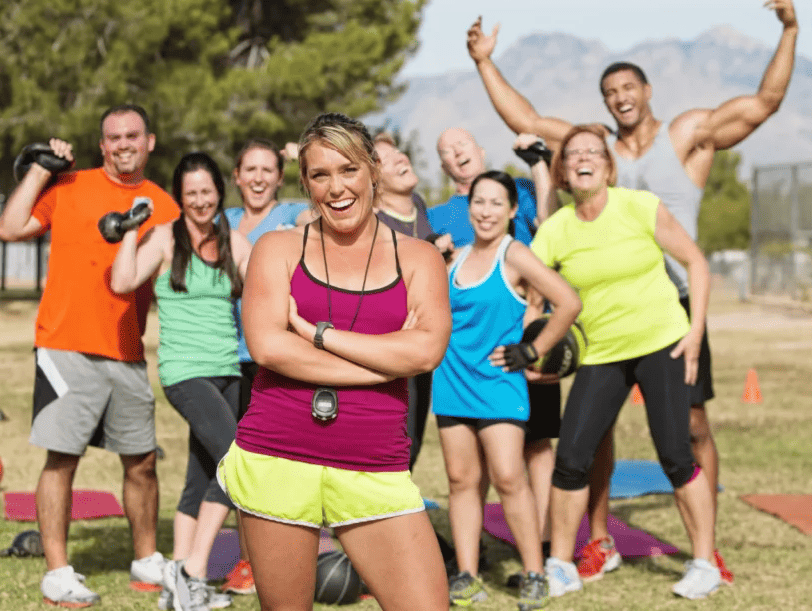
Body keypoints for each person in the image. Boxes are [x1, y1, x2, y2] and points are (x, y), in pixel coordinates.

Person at [467, 0, 798, 583]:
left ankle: (705, 547)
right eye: (609, 91)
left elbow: (763, 103)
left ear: (647, 92)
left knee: (689, 431)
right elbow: (528, 120)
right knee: (591, 435)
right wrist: (485, 62)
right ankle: (595, 541)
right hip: (599, 311)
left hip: (670, 303)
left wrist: (790, 30)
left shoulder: (686, 135)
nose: (619, 98)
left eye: (628, 89)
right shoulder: (588, 148)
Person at [219, 112, 452, 611]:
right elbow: (268, 348)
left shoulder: (419, 257)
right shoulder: (276, 248)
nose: (336, 187)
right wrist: (386, 362)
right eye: (319, 175)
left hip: (374, 464)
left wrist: (319, 335)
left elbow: (427, 351)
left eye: (347, 169)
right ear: (305, 183)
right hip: (277, 456)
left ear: (373, 170)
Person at [0, 104, 181, 608]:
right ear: (102, 146)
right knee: (63, 458)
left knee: (141, 461)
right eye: (113, 137)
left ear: (150, 142)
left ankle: (146, 559)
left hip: (127, 349)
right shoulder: (69, 185)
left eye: (133, 135)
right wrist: (40, 167)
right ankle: (57, 571)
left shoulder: (164, 205)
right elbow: (9, 228)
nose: (123, 144)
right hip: (65, 342)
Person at [531, 125, 718, 599]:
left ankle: (703, 561)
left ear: (609, 167)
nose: (583, 158)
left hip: (663, 344)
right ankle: (559, 566)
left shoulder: (639, 206)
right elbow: (534, 301)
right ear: (564, 173)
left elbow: (696, 262)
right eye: (573, 155)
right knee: (572, 457)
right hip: (600, 354)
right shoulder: (554, 231)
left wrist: (694, 333)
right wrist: (533, 351)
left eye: (594, 151)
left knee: (676, 453)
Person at [433, 170, 582, 611]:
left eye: (497, 203)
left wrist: (531, 350)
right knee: (461, 481)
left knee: (508, 477)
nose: (486, 211)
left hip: (500, 384)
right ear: (469, 206)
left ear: (513, 210)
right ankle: (467, 574)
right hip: (452, 383)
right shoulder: (454, 260)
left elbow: (569, 302)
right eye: (479, 201)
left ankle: (535, 572)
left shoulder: (514, 254)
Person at [110, 152, 251, 611]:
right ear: (180, 197)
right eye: (190, 193)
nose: (199, 201)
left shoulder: (237, 241)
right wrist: (131, 231)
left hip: (228, 370)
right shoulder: (168, 239)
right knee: (237, 461)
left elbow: (271, 286)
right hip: (184, 374)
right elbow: (122, 280)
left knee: (202, 476)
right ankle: (191, 571)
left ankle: (179, 587)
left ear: (218, 193)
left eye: (206, 192)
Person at [428, 127, 560, 554]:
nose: (456, 152)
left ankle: (540, 545)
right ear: (445, 166)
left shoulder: (517, 188)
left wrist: (539, 162)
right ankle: (475, 556)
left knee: (533, 450)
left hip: (517, 346)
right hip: (464, 366)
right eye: (445, 150)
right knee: (467, 475)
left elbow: (550, 222)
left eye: (462, 144)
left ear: (479, 150)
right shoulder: (440, 215)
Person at [220, 138, 310, 595]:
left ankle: (291, 555)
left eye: (267, 170)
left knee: (285, 462)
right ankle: (248, 560)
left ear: (279, 177)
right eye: (249, 169)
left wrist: (304, 164)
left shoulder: (291, 216)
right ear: (236, 176)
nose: (257, 177)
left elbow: (322, 217)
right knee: (244, 463)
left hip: (275, 356)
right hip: (228, 357)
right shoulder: (225, 221)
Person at [372, 132, 453, 470]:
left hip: (424, 336)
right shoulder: (373, 223)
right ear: (373, 180)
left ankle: (395, 515)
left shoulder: (417, 204)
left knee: (415, 437)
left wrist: (437, 243)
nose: (399, 158)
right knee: (394, 436)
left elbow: (422, 243)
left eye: (398, 153)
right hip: (392, 341)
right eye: (385, 159)